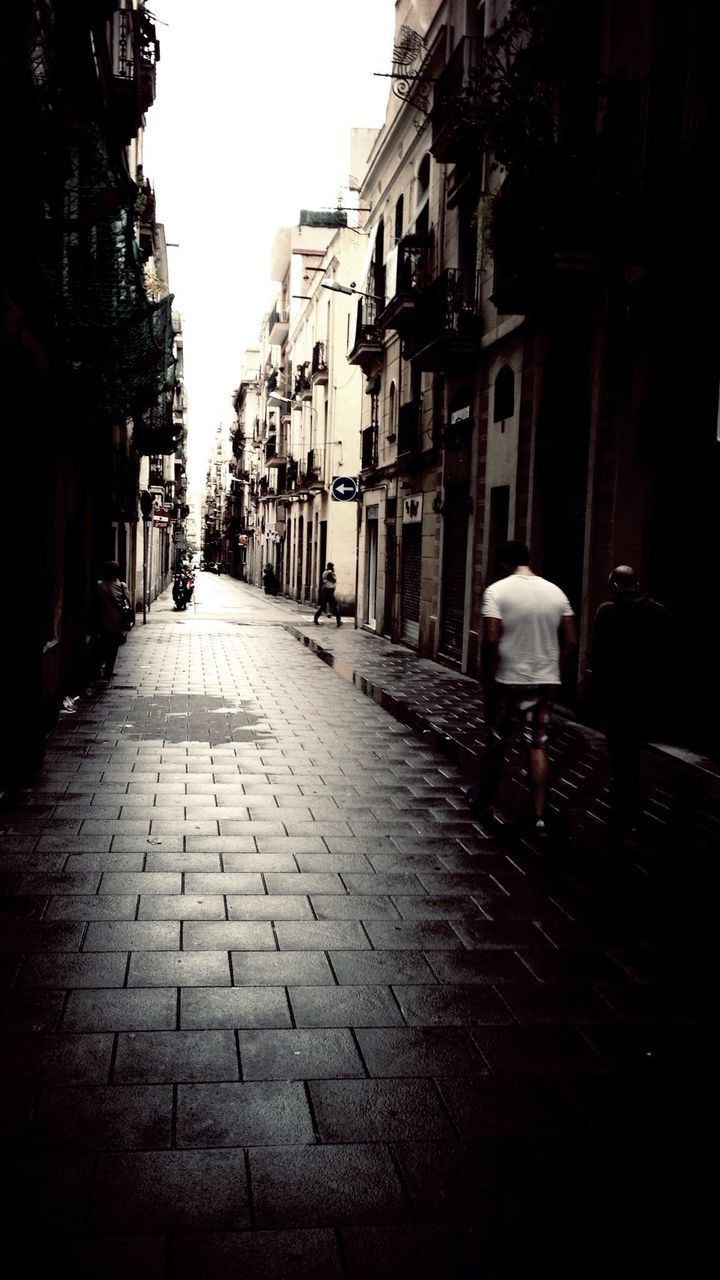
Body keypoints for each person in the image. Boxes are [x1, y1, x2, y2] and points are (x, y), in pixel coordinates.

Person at [468, 540, 577, 836]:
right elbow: (571, 639)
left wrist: (488, 675)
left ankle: (485, 800)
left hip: (507, 680)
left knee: (497, 740)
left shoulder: (497, 591)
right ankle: (539, 814)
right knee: (538, 744)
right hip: (546, 680)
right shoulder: (556, 592)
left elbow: (491, 638)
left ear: (503, 563)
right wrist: (555, 667)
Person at [590, 564, 672, 834]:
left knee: (617, 745)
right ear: (636, 583)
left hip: (614, 692)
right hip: (644, 693)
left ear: (614, 584)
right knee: (634, 744)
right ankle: (630, 794)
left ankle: (622, 794)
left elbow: (597, 654)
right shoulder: (658, 611)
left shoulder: (606, 612)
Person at [94, 560, 132, 679]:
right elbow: (128, 603)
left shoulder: (99, 585)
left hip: (103, 621)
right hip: (117, 622)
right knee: (113, 647)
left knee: (102, 646)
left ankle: (99, 668)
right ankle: (108, 671)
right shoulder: (122, 586)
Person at [314, 562, 342, 626]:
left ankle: (316, 618)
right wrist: (333, 574)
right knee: (334, 606)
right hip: (329, 591)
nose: (333, 568)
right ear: (331, 567)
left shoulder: (325, 572)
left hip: (326, 591)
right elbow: (333, 580)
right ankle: (338, 621)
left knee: (323, 606)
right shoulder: (329, 573)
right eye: (332, 566)